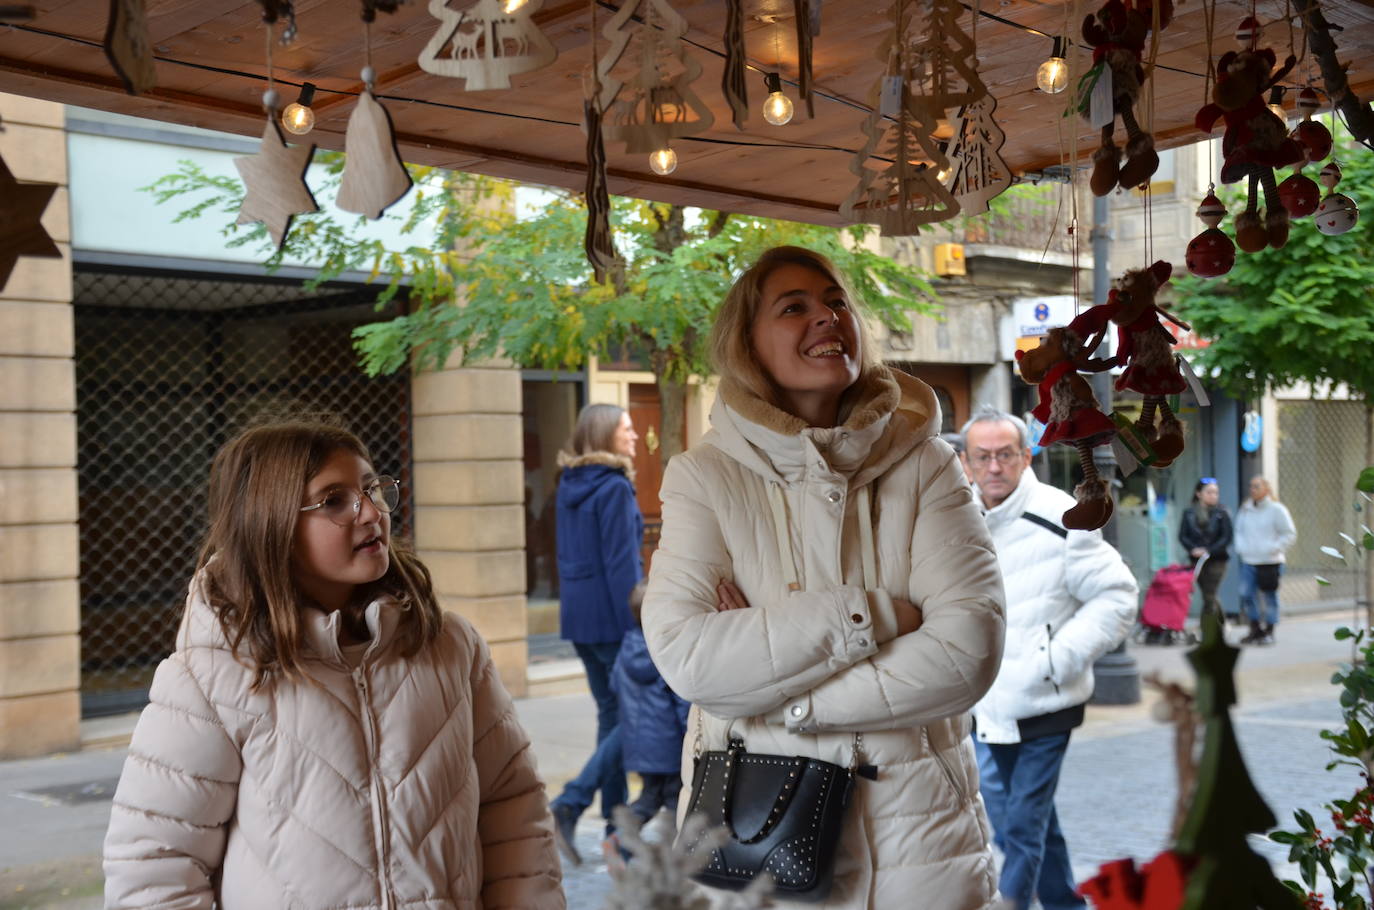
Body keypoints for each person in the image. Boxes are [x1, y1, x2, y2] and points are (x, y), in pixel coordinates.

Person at [643, 246, 1007, 908]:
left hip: (917, 847)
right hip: (754, 848)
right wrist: (876, 617)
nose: (826, 317)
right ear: (747, 343)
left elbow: (966, 653)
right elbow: (692, 659)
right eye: (794, 307)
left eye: (836, 301)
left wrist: (779, 699)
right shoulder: (704, 478)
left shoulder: (927, 466)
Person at [102, 418, 564, 909]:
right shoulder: (210, 677)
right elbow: (154, 869)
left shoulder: (450, 647)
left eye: (371, 489)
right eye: (334, 501)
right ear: (271, 524)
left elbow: (514, 812)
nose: (370, 512)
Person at [961, 407, 1137, 910]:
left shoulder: (1063, 514)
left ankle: (1010, 903)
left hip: (1046, 701)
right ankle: (1065, 903)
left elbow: (1118, 595)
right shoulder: (954, 519)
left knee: (1019, 824)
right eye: (983, 457)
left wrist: (1054, 659)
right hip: (985, 705)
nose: (995, 467)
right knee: (1029, 820)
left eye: (1005, 455)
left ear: (1025, 456)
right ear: (966, 462)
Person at [548, 403, 644, 866]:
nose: (634, 435)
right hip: (615, 620)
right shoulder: (614, 489)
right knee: (638, 718)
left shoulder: (569, 484)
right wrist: (637, 627)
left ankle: (615, 829)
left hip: (580, 620)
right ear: (606, 435)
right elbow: (621, 566)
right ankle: (571, 801)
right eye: (626, 429)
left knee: (612, 717)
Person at [611, 580, 690, 835]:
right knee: (675, 801)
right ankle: (680, 857)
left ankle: (618, 837)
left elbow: (614, 685)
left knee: (650, 798)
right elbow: (682, 702)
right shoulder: (665, 653)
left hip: (639, 747)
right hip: (669, 747)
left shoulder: (627, 646)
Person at [1234, 474, 1297, 645]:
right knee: (1246, 595)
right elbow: (1238, 531)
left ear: (1267, 489)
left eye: (1256, 486)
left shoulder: (1277, 509)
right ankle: (1255, 629)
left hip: (1270, 561)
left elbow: (1289, 533)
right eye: (1251, 486)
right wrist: (1241, 548)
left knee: (1269, 597)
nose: (1252, 490)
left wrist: (1274, 548)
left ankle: (1269, 631)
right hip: (1249, 560)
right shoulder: (1245, 509)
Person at [1177, 477, 1234, 621]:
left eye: (1216, 493)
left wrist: (1208, 550)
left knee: (1209, 593)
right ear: (1199, 494)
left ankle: (1209, 627)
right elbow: (1183, 536)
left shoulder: (1222, 512)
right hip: (1196, 560)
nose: (1213, 496)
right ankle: (1221, 624)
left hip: (1217, 560)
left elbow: (1226, 537)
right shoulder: (1189, 513)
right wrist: (1193, 549)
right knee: (1208, 594)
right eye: (1209, 492)